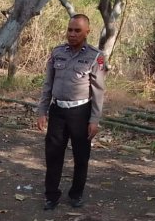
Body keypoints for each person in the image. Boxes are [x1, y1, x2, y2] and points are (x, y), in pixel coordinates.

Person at [36, 14, 106, 210]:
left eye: (77, 31)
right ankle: (51, 196)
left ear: (87, 32)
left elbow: (98, 91)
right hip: (57, 110)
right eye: (70, 30)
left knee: (81, 156)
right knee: (53, 154)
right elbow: (48, 84)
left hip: (80, 113)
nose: (72, 34)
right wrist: (42, 110)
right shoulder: (57, 52)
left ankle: (76, 194)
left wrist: (94, 119)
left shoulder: (94, 56)